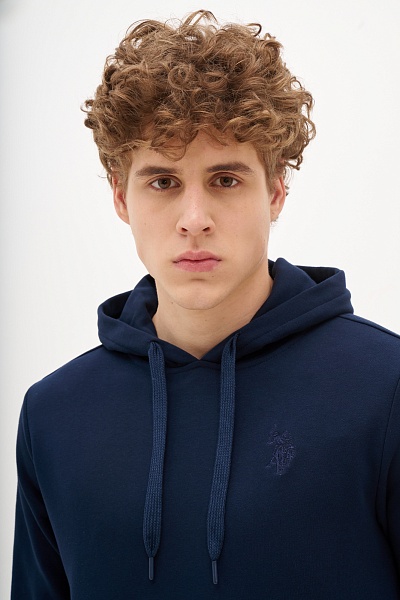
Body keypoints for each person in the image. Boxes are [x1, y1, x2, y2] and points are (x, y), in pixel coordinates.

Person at [11, 9, 400, 600]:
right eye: (163, 182)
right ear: (121, 197)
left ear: (276, 191)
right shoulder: (53, 416)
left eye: (225, 180)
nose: (194, 220)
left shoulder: (384, 389)